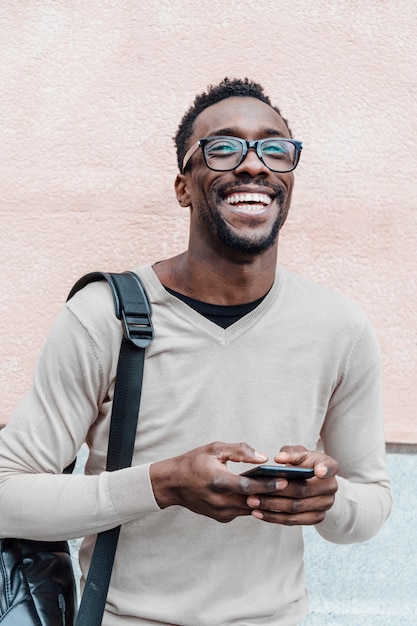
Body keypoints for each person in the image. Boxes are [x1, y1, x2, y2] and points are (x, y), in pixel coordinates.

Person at [0, 77, 392, 625]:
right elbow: (7, 494)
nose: (254, 165)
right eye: (224, 147)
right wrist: (162, 483)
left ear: (289, 179)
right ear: (184, 185)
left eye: (274, 148)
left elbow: (372, 502)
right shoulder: (102, 315)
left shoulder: (339, 326)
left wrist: (328, 500)